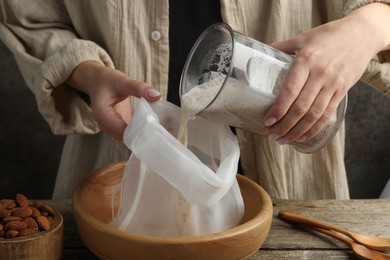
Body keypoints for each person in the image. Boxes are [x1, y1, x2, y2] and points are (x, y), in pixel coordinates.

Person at [0, 0, 389, 200]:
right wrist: (89, 74)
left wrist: (366, 28)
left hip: (291, 186)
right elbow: (31, 17)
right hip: (117, 166)